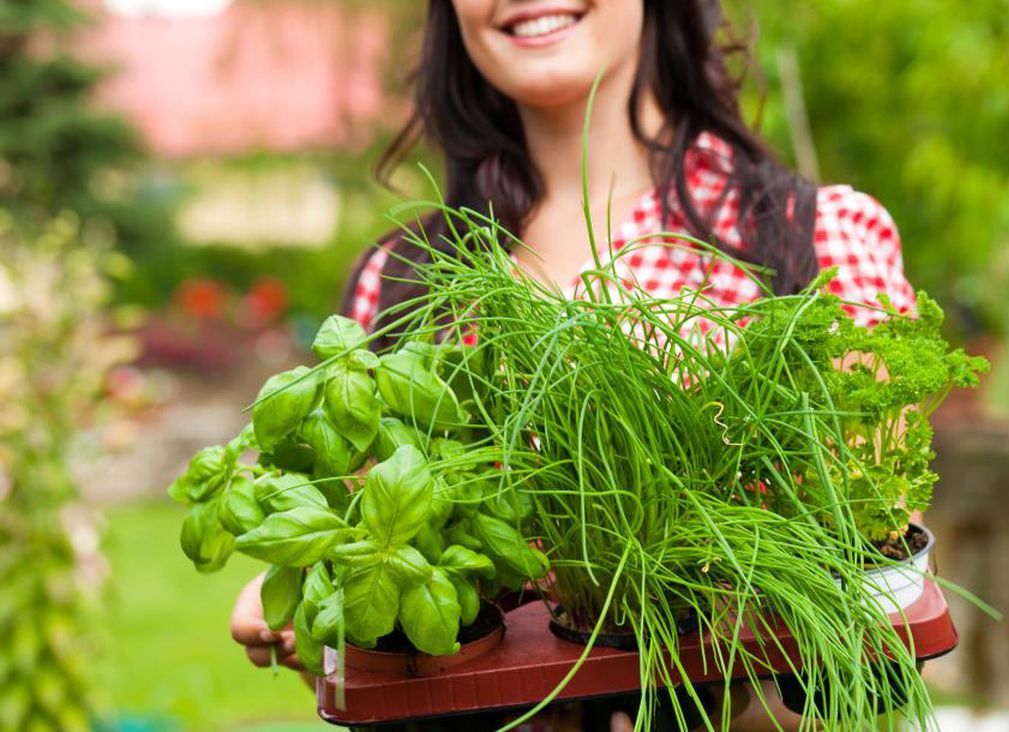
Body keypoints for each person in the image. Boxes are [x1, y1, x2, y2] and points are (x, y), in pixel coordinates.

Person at [231, 0, 917, 729]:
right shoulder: (401, 281)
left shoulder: (810, 242)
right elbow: (394, 601)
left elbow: (871, 575)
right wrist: (323, 606)